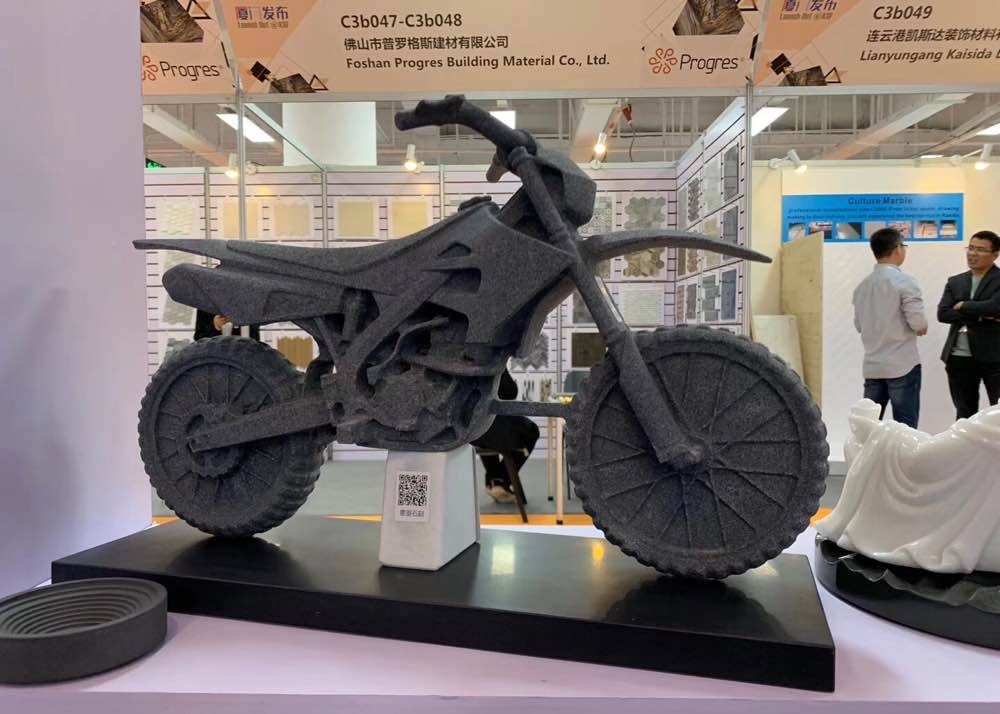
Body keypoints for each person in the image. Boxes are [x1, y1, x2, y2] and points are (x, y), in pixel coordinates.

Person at [851, 227, 928, 428]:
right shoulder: (905, 282)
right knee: (905, 428)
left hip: (873, 366)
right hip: (902, 364)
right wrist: (920, 327)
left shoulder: (862, 286)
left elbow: (859, 325)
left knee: (868, 427)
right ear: (897, 249)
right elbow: (919, 324)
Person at [937, 230, 1000, 418]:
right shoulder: (956, 281)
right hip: (959, 357)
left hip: (995, 356)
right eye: (970, 248)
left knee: (998, 412)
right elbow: (943, 313)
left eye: (980, 250)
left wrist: (964, 305)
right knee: (964, 413)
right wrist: (981, 315)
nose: (973, 253)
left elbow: (995, 307)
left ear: (995, 254)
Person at [472, 370, 539, 504]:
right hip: (493, 427)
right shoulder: (494, 361)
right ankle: (500, 479)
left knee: (488, 435)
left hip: (472, 430)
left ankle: (495, 480)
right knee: (531, 432)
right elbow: (510, 392)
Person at [194, 309, 260, 341]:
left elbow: (255, 337)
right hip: (216, 355)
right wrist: (214, 324)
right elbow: (199, 336)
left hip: (245, 354)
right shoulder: (206, 302)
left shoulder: (249, 302)